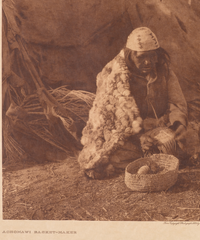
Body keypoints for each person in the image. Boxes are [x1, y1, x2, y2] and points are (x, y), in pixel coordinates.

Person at [78, 27, 193, 179]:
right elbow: (109, 119)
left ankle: (152, 155)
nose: (148, 62)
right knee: (109, 155)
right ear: (130, 55)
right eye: (141, 57)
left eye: (152, 57)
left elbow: (177, 102)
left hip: (159, 125)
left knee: (182, 142)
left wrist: (179, 125)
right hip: (127, 135)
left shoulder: (164, 72)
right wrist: (139, 138)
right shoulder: (116, 77)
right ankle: (148, 156)